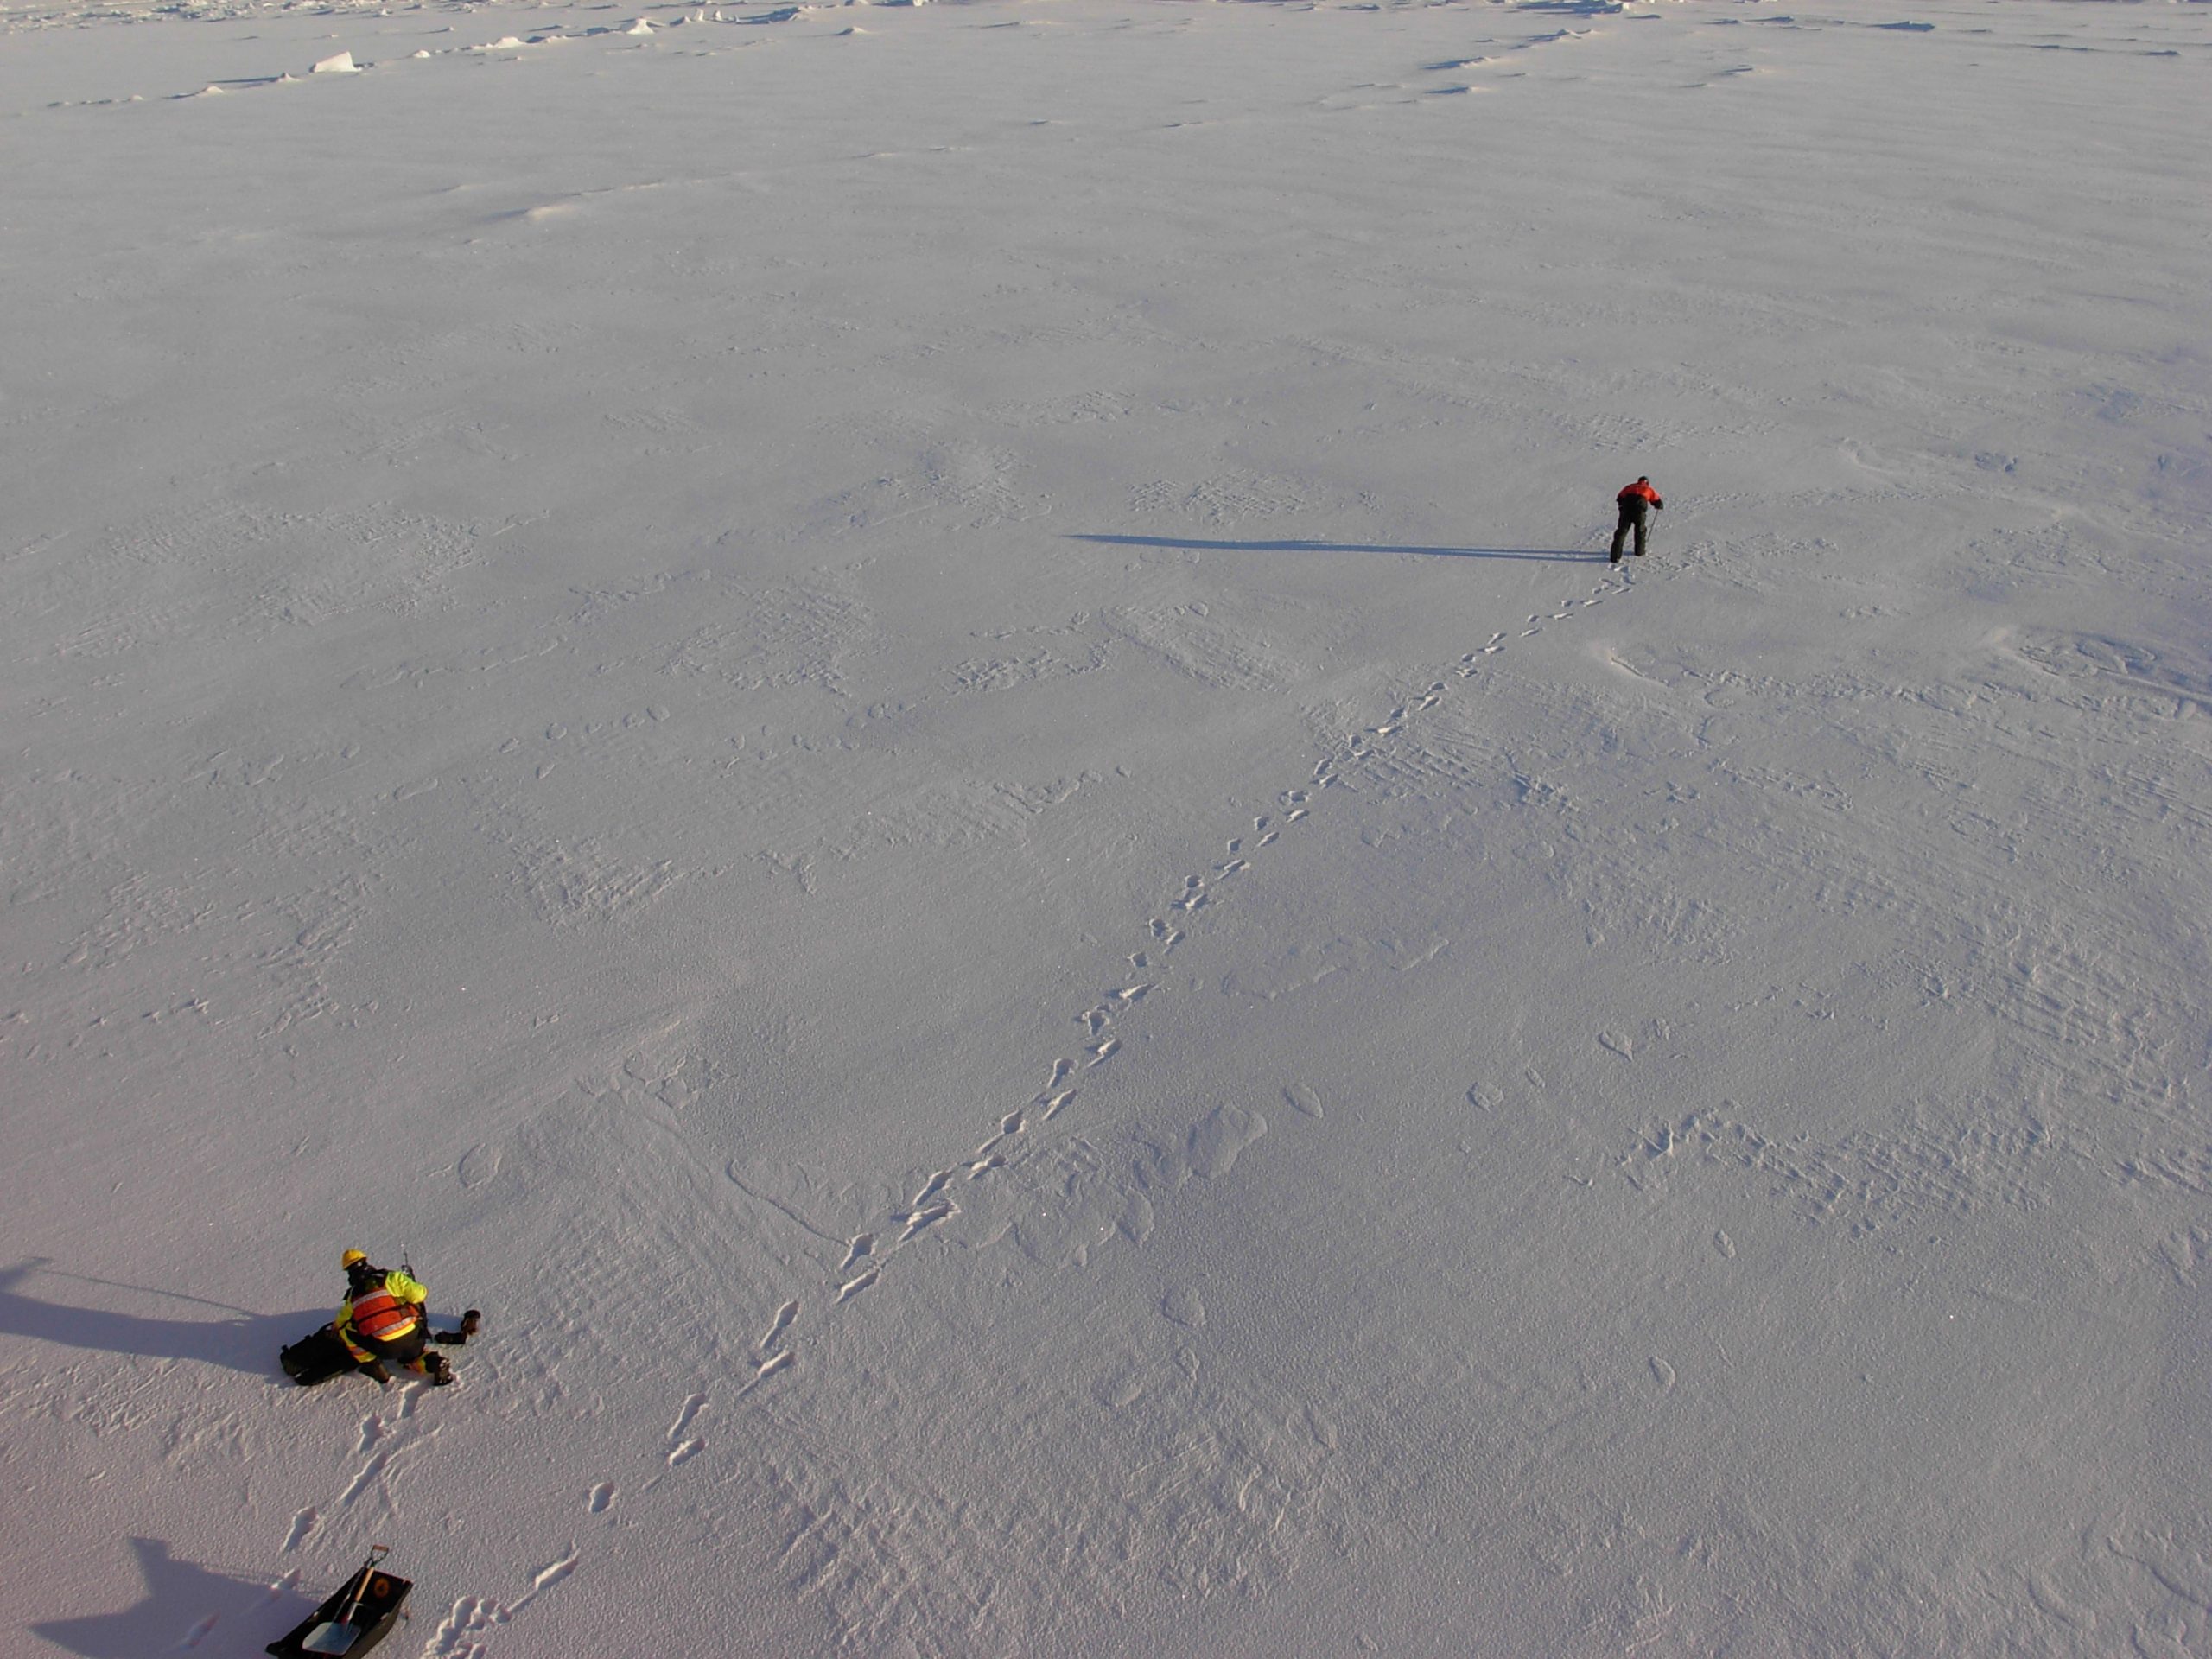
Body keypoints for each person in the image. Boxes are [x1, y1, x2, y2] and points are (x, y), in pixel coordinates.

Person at [337, 1249, 462, 1387]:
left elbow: (341, 1321)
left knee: (345, 1331)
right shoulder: (391, 1278)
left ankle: (373, 1366)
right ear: (366, 1261)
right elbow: (418, 1296)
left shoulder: (352, 1295)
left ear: (348, 1272)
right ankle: (434, 1363)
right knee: (412, 1359)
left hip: (385, 1349)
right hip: (414, 1337)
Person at [1610, 476, 1663, 564]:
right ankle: (1639, 552)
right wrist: (1659, 505)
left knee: (1621, 532)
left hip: (1626, 511)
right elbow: (1656, 500)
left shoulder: (1629, 487)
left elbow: (1620, 497)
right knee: (1640, 530)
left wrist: (1621, 506)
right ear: (1647, 483)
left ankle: (1615, 557)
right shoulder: (1648, 489)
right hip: (1639, 512)